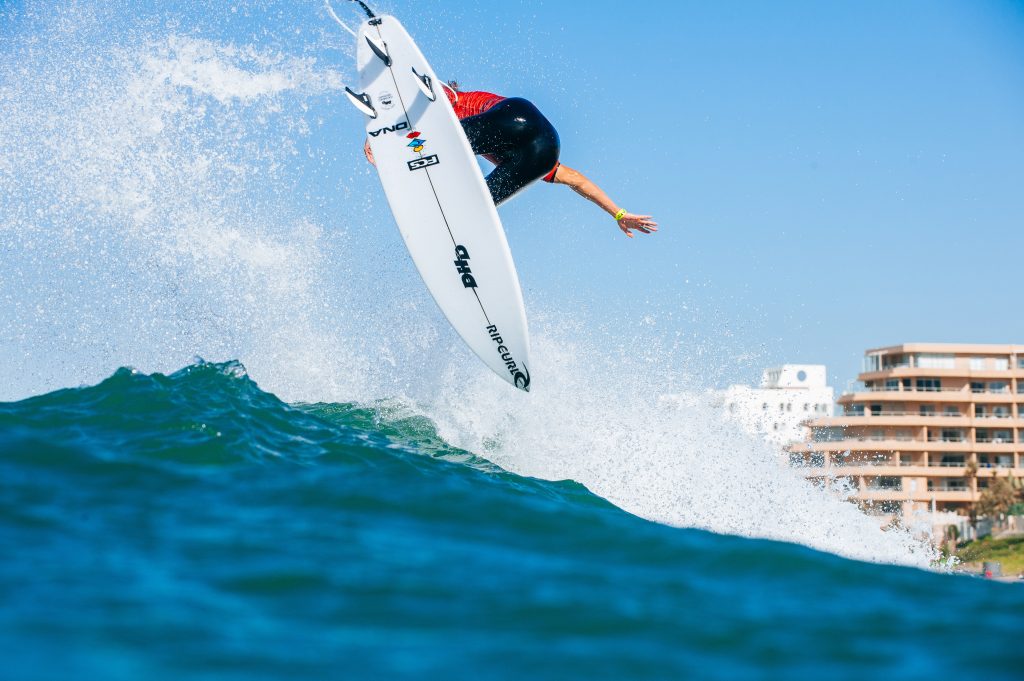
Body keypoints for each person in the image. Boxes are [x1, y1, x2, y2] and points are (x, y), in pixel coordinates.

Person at [363, 82, 658, 239]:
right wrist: (618, 213)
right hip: (545, 149)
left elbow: (424, 87)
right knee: (476, 203)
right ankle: (458, 237)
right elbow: (577, 180)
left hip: (515, 117)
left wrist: (382, 133)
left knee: (440, 142)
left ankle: (451, 229)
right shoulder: (510, 152)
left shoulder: (455, 100)